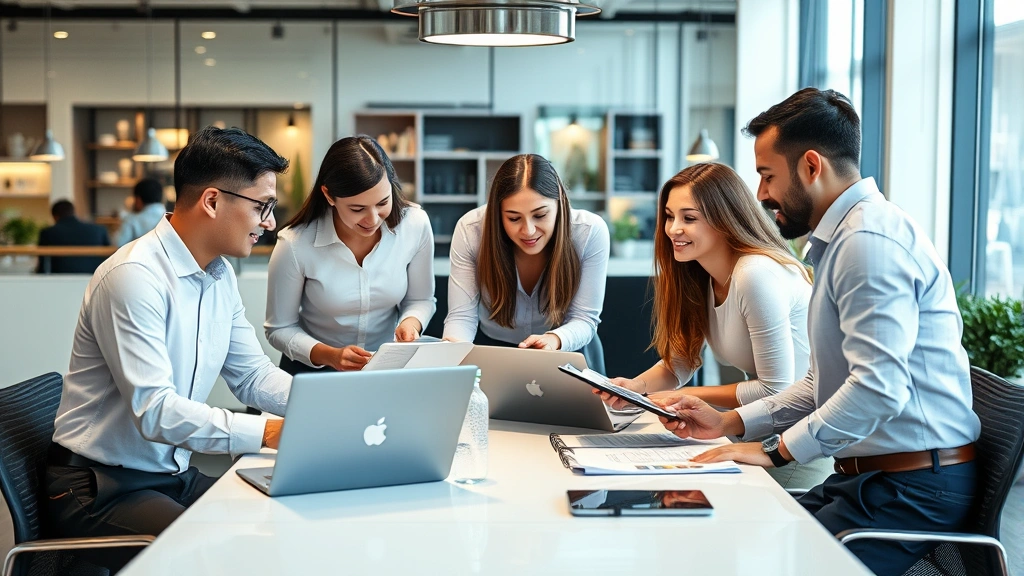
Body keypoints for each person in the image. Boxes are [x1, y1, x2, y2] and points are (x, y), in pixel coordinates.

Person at [656, 88, 980, 576]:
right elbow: (820, 381)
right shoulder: (842, 241)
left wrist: (776, 450)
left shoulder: (868, 244)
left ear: (811, 166)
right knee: (730, 539)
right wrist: (729, 423)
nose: (761, 194)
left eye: (767, 176)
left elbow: (876, 389)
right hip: (871, 479)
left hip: (909, 490)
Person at [44, 126, 293, 573]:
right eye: (263, 206)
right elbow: (155, 411)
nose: (269, 223)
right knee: (210, 557)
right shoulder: (134, 277)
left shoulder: (219, 276)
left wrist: (323, 408)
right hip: (98, 486)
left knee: (274, 524)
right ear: (213, 201)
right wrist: (268, 433)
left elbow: (253, 376)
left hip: (169, 476)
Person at [594, 162, 829, 489]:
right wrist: (636, 389)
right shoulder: (700, 275)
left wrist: (684, 395)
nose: (673, 228)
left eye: (689, 218)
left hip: (794, 449)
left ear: (725, 221)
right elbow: (680, 362)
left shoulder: (755, 274)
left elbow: (777, 388)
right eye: (669, 216)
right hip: (755, 435)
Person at [265, 135, 435, 374]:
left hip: (386, 368)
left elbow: (421, 300)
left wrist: (411, 322)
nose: (373, 219)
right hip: (314, 372)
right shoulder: (295, 244)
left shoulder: (414, 225)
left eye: (382, 202)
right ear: (329, 195)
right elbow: (279, 329)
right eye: (358, 209)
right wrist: (331, 355)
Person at [443, 153, 610, 373]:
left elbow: (584, 318)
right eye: (513, 218)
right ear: (497, 212)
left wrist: (554, 339)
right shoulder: (471, 230)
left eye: (540, 215)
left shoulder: (589, 232)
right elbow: (462, 316)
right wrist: (449, 357)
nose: (528, 231)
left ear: (559, 203)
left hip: (566, 346)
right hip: (493, 349)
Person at [36, 199, 110, 274]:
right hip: (93, 278)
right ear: (74, 212)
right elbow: (110, 259)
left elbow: (42, 264)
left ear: (55, 216)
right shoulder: (99, 230)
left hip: (60, 279)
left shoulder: (48, 232)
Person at [116, 177, 166, 246]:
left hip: (138, 256)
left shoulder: (132, 219)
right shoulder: (170, 217)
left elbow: (119, 244)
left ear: (138, 199)